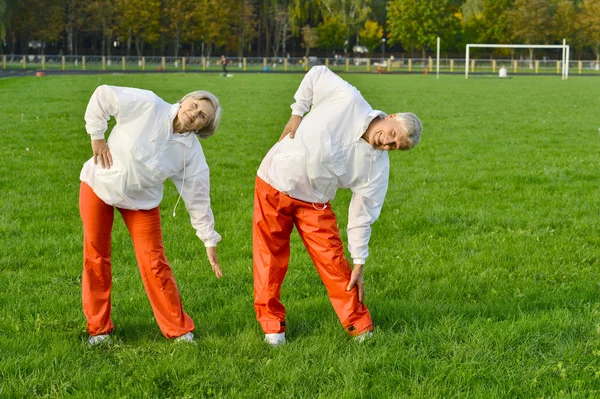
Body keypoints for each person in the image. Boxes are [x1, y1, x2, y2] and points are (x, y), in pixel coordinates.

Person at [253, 66, 422, 346]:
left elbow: (362, 214)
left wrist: (359, 261)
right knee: (270, 257)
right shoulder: (349, 99)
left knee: (335, 262)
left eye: (396, 146)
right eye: (393, 134)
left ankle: (360, 328)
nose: (389, 143)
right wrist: (298, 112)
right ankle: (273, 328)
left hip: (315, 202)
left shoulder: (377, 167)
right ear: (390, 118)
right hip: (275, 180)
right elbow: (317, 74)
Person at [80, 85, 223, 345]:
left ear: (203, 128)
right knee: (96, 255)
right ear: (183, 100)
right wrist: (97, 136)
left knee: (154, 262)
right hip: (99, 184)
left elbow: (198, 197)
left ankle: (178, 329)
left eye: (203, 116)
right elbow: (103, 95)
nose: (194, 114)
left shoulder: (190, 154)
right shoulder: (148, 104)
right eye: (194, 105)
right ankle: (99, 329)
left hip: (141, 202)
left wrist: (208, 239)